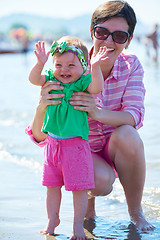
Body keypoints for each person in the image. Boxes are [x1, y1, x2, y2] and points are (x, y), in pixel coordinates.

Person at [26, 0, 155, 234]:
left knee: (129, 134)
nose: (108, 41)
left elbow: (134, 116)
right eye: (102, 32)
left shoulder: (131, 65)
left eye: (119, 36)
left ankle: (136, 213)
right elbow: (41, 137)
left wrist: (96, 112)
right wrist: (41, 106)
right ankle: (88, 210)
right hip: (80, 149)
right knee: (100, 181)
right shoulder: (70, 66)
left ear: (129, 40)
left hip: (114, 145)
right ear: (92, 32)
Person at [27, 35, 108, 239]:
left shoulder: (82, 83)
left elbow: (97, 88)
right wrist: (40, 63)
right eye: (59, 64)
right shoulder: (51, 79)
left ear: (83, 67)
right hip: (52, 145)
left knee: (78, 189)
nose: (64, 70)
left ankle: (77, 226)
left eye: (71, 65)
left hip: (76, 147)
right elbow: (33, 79)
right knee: (52, 186)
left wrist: (96, 66)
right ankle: (52, 219)